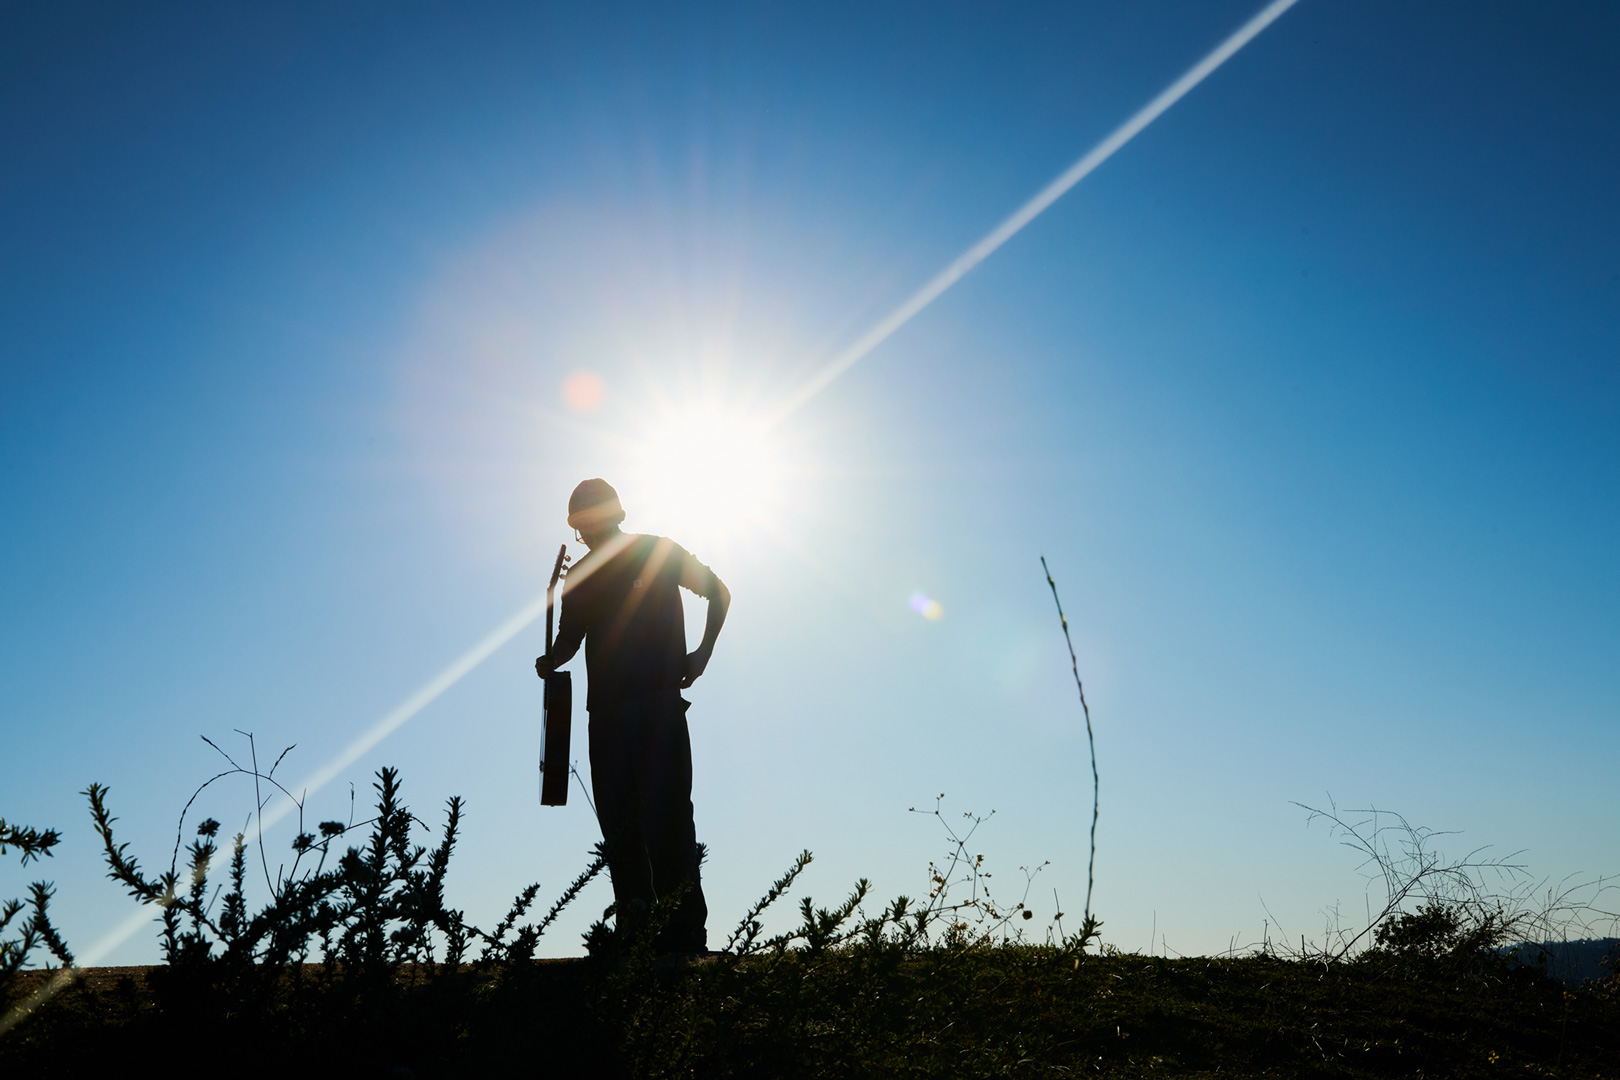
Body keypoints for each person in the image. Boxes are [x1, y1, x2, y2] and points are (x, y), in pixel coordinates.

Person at [535, 477, 729, 954]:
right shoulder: (590, 575)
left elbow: (719, 593)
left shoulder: (655, 553)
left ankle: (679, 935)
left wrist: (701, 655)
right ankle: (644, 931)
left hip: (642, 712)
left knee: (660, 823)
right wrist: (551, 660)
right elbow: (568, 641)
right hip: (615, 715)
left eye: (590, 524)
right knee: (630, 826)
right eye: (585, 528)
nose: (590, 534)